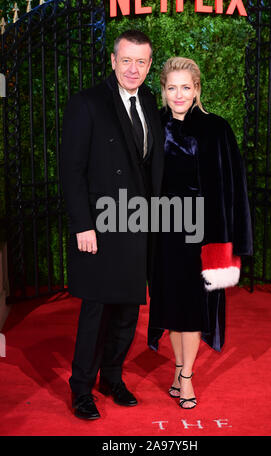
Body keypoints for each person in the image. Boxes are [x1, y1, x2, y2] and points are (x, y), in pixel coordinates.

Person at [60, 30, 164, 420]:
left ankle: (112, 378)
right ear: (112, 60)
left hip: (139, 224)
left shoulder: (150, 101)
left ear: (149, 65)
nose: (133, 68)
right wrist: (82, 225)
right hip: (101, 227)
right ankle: (81, 388)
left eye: (141, 61)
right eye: (126, 60)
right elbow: (71, 171)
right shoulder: (87, 103)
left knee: (127, 310)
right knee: (96, 310)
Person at [148, 57, 253, 409]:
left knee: (193, 307)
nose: (179, 94)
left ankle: (187, 377)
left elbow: (232, 187)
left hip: (201, 234)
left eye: (186, 87)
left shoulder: (216, 129)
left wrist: (231, 240)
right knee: (170, 305)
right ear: (163, 90)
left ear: (197, 90)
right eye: (172, 87)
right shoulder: (152, 126)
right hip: (162, 231)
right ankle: (178, 369)